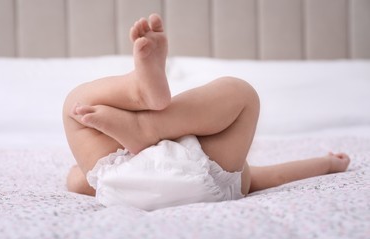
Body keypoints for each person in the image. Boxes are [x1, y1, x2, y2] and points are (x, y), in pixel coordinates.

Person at [62, 14, 350, 210]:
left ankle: (137, 94)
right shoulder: (233, 170)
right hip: (204, 183)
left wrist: (84, 175)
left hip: (119, 187)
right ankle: (147, 125)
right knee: (241, 92)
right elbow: (276, 177)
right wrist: (326, 165)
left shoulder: (104, 173)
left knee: (74, 107)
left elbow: (77, 182)